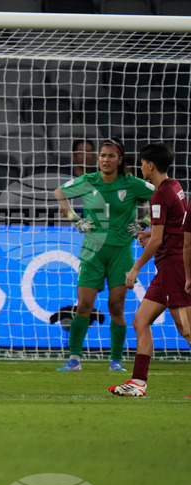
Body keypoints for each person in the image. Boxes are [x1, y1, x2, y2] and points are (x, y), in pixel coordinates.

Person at [53, 138, 155, 372]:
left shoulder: (131, 183)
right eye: (102, 156)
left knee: (116, 307)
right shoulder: (88, 181)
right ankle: (74, 360)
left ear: (120, 160)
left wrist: (146, 222)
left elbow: (160, 195)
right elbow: (59, 192)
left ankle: (116, 361)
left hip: (121, 252)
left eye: (111, 156)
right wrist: (74, 218)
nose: (105, 160)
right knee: (83, 306)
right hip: (92, 251)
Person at [110, 143, 190, 396]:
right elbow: (173, 226)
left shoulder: (160, 196)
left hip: (173, 266)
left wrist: (134, 269)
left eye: (143, 163)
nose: (140, 167)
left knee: (186, 328)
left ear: (151, 165)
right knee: (141, 321)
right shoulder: (175, 186)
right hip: (167, 266)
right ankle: (138, 382)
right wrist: (151, 233)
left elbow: (156, 241)